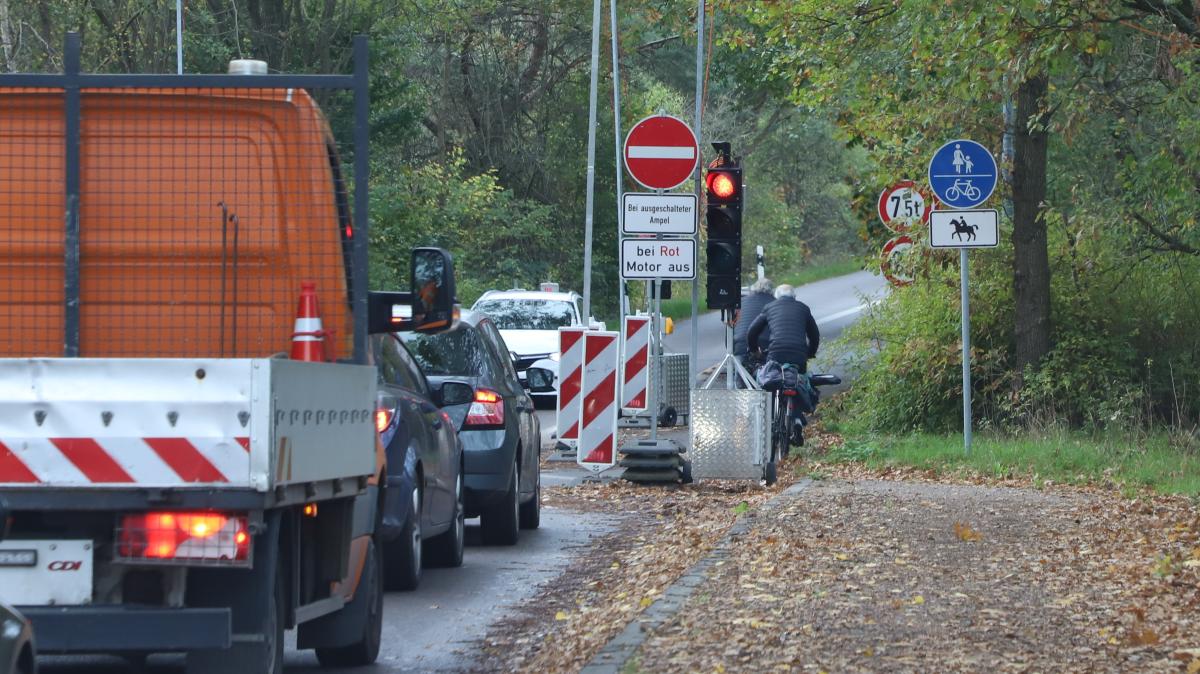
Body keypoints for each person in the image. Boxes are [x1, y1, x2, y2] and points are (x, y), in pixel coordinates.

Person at [747, 284, 820, 373]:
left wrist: (754, 350)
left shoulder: (769, 307)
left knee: (770, 380)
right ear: (794, 296)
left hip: (776, 353)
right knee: (802, 381)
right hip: (799, 354)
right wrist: (810, 353)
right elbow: (814, 335)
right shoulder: (804, 308)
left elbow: (752, 331)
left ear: (776, 296)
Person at [733, 277, 774, 369]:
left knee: (740, 370)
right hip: (766, 347)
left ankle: (738, 380)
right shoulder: (775, 303)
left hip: (741, 345)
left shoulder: (740, 302)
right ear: (772, 290)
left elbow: (731, 328)